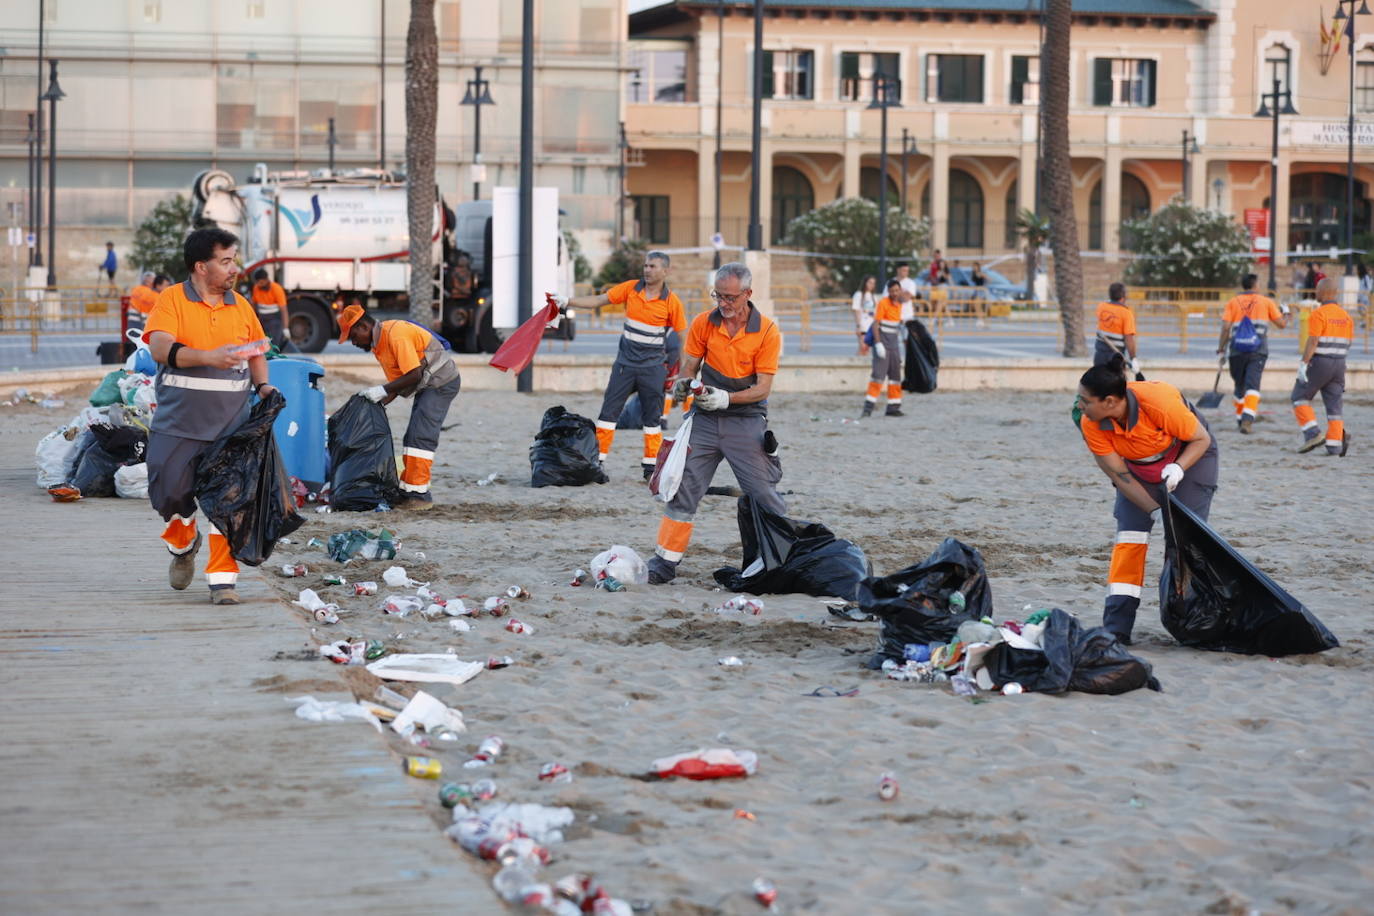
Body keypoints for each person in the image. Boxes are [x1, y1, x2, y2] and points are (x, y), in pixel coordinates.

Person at [140, 228, 278, 606]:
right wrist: (208, 356)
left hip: (231, 429)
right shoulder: (171, 300)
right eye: (226, 261)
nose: (235, 268)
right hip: (178, 426)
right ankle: (184, 544)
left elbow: (256, 351)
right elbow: (159, 347)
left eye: (234, 260)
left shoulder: (241, 305)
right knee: (170, 496)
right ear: (201, 266)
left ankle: (223, 582)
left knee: (228, 502)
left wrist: (263, 386)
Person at [649, 262, 784, 585]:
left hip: (747, 418)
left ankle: (782, 556)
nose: (723, 304)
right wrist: (683, 384)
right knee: (684, 490)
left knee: (763, 492)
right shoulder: (702, 323)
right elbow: (690, 367)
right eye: (718, 296)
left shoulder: (766, 330)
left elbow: (763, 388)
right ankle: (665, 562)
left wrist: (726, 398)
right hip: (705, 418)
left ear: (748, 294)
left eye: (730, 298)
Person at [1076, 355, 1219, 643]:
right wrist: (1154, 510)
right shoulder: (1092, 422)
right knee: (1130, 539)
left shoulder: (1158, 401)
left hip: (1190, 458)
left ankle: (1186, 620)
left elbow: (1200, 439)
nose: (1079, 406)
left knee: (1182, 542)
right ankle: (1117, 627)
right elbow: (1120, 476)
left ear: (1111, 402)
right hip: (1137, 470)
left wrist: (1178, 468)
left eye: (1085, 400)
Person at [552, 251, 686, 479]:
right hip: (624, 365)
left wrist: (681, 371)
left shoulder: (672, 302)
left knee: (652, 420)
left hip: (653, 368)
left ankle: (650, 467)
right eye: (645, 265)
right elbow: (599, 300)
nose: (647, 270)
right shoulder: (631, 288)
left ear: (666, 271)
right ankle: (597, 461)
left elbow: (683, 336)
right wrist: (567, 301)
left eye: (652, 266)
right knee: (608, 414)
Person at [338, 304, 462, 509]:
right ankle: (409, 491)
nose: (353, 342)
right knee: (412, 436)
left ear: (362, 327)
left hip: (441, 382)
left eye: (352, 336)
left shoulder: (395, 335)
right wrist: (374, 403)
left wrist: (381, 390)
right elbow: (397, 384)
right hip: (428, 383)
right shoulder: (380, 345)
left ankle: (419, 496)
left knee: (420, 436)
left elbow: (413, 374)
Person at [1216, 272, 1288, 434]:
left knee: (1239, 385)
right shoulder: (1266, 302)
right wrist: (1287, 314)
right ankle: (1248, 420)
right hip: (1258, 350)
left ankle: (1241, 418)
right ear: (1256, 285)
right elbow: (1282, 324)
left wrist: (1221, 349)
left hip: (1236, 350)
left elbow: (1226, 328)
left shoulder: (1233, 302)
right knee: (1252, 385)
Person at [1291, 276, 1353, 456]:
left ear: (1324, 292)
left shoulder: (1319, 313)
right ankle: (1335, 446)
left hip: (1320, 362)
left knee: (1299, 396)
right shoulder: (1346, 316)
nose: (1315, 292)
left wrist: (1303, 363)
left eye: (1317, 289)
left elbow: (1313, 340)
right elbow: (1348, 342)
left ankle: (1312, 434)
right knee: (1334, 407)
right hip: (1340, 364)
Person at [861, 278, 906, 418]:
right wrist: (878, 344)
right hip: (883, 344)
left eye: (897, 290)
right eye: (892, 291)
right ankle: (868, 409)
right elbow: (876, 325)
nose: (895, 293)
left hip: (894, 346)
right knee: (878, 377)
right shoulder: (883, 303)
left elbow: (899, 325)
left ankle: (893, 407)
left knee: (895, 378)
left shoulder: (899, 305)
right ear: (888, 291)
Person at [1094, 282, 1140, 374]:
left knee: (1099, 384)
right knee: (1116, 385)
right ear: (1124, 296)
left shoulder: (1101, 307)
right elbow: (1129, 338)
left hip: (1099, 354)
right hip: (1116, 357)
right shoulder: (1126, 313)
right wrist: (1133, 358)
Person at [249, 268, 292, 350]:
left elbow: (284, 310)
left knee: (273, 345)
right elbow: (253, 305)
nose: (259, 285)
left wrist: (286, 328)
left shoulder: (277, 289)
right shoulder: (256, 288)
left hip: (275, 322)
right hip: (262, 320)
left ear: (266, 280)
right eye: (257, 283)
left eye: (261, 282)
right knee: (260, 343)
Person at [851, 274, 877, 355]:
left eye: (873, 283)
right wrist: (858, 325)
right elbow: (856, 310)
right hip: (863, 325)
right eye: (869, 282)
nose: (871, 285)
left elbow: (875, 312)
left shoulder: (873, 296)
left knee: (867, 349)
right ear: (865, 283)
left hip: (871, 326)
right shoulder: (859, 294)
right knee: (863, 347)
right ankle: (855, 364)